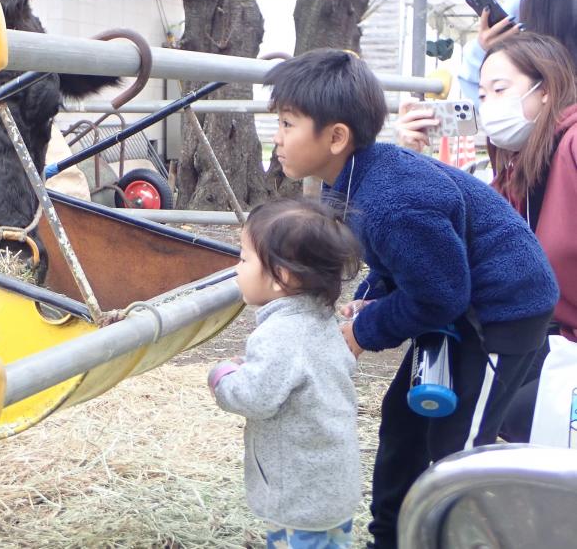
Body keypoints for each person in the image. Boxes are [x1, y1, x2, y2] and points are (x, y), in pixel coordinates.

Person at [265, 49, 559, 549]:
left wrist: (364, 330)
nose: (278, 137)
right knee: (404, 424)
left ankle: (456, 535)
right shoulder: (360, 179)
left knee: (457, 454)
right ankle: (391, 537)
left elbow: (440, 294)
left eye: (288, 124)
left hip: (498, 320)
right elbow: (405, 264)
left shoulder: (391, 202)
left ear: (335, 136)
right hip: (460, 308)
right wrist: (371, 296)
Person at [397, 32, 577, 442]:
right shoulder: (516, 170)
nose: (490, 105)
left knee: (499, 414)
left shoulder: (571, 146)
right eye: (482, 94)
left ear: (545, 89)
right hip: (547, 339)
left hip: (561, 343)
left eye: (501, 89)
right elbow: (456, 239)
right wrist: (410, 158)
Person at [208, 198, 361, 549]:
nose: (237, 268)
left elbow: (255, 397)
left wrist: (222, 376)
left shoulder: (280, 334)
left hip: (300, 495)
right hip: (331, 487)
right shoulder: (322, 319)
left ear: (283, 277)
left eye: (244, 259)